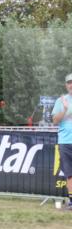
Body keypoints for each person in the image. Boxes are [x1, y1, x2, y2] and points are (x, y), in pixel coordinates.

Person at [53, 73, 72, 211]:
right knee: (69, 173)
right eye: (69, 82)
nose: (71, 85)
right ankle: (71, 201)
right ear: (66, 85)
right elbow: (55, 121)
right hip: (65, 142)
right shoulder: (61, 101)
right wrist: (65, 109)